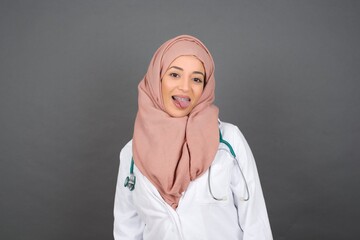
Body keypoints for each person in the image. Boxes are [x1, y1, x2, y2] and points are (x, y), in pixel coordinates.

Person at [113, 35, 273, 240]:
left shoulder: (229, 140)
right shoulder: (131, 154)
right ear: (157, 78)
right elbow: (127, 231)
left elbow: (256, 224)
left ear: (205, 87)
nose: (185, 87)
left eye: (196, 79)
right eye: (174, 75)